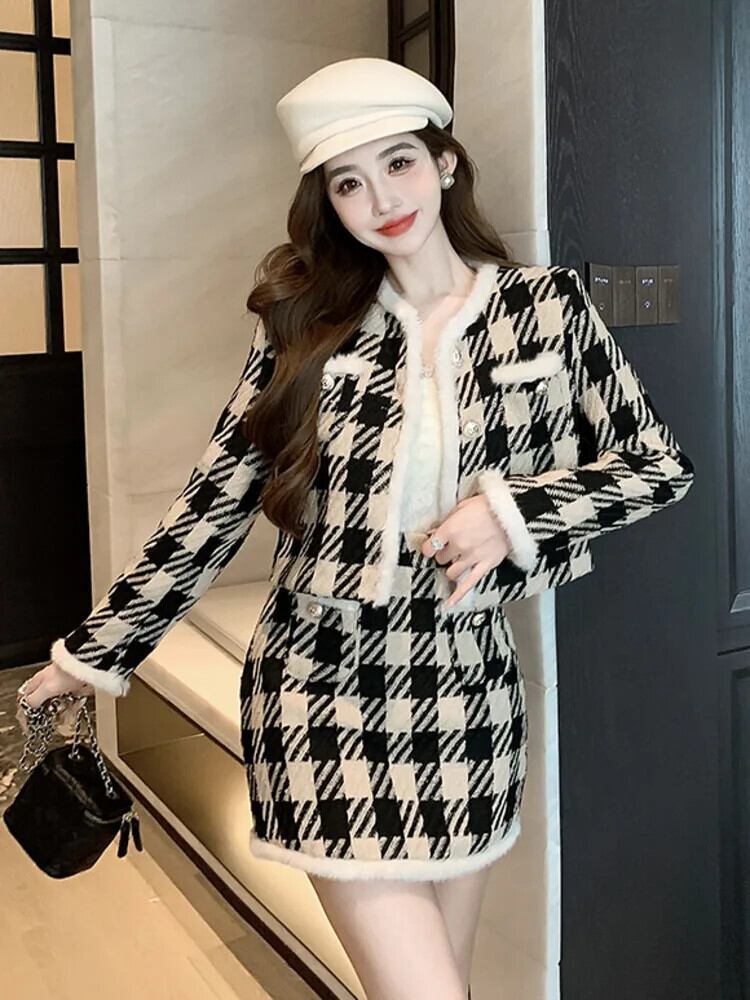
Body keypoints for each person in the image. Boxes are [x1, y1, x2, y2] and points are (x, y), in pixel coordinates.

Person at [18, 57, 695, 999]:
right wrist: (95, 652)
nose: (381, 200)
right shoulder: (304, 326)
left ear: (445, 163)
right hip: (316, 688)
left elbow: (658, 466)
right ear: (327, 203)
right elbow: (214, 501)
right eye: (348, 182)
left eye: (399, 163)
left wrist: (512, 515)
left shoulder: (546, 309)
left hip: (466, 693)